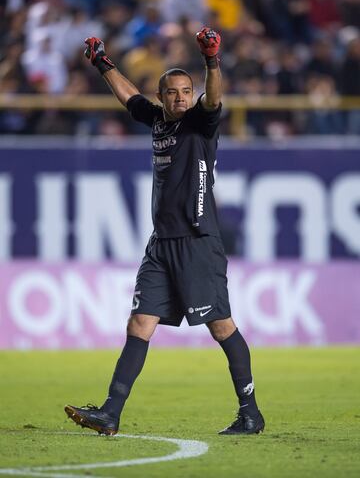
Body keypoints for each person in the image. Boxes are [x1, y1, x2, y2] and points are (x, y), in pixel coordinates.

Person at [64, 27, 265, 436]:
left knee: (221, 326)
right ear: (162, 96)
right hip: (161, 245)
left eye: (185, 91)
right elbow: (128, 97)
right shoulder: (156, 119)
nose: (180, 98)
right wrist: (103, 62)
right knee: (139, 323)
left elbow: (215, 97)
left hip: (197, 242)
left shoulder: (201, 123)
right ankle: (110, 413)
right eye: (171, 92)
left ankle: (250, 413)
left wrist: (212, 60)